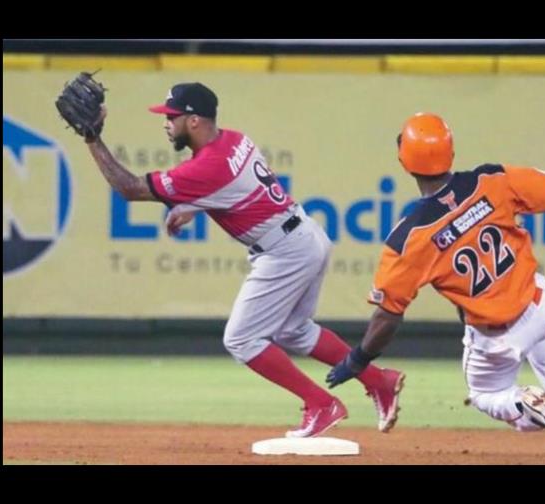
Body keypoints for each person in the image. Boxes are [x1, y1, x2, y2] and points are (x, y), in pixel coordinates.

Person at [79, 81, 405, 438]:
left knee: (241, 339)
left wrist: (93, 139)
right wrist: (191, 206)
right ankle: (379, 381)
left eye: (171, 117)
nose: (165, 123)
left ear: (193, 121)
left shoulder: (207, 166)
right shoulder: (232, 139)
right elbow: (231, 189)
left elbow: (129, 189)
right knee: (293, 330)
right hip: (305, 235)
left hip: (284, 251)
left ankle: (320, 404)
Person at [325, 112, 545, 439]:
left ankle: (523, 401)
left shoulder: (410, 238)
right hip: (542, 305)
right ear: (450, 152)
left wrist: (359, 358)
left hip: (497, 338)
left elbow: (388, 317)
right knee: (541, 339)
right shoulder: (492, 180)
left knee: (485, 395)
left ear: (404, 163)